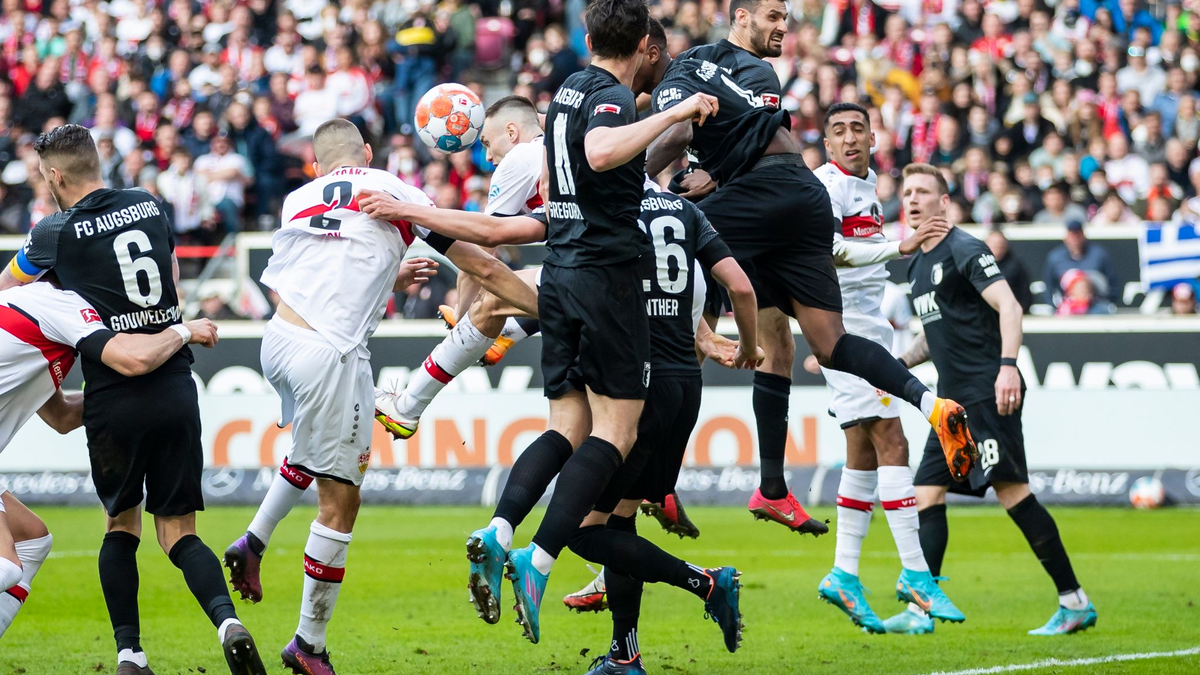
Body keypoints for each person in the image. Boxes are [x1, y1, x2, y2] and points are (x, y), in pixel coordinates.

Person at [366, 175, 759, 672]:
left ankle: (547, 557)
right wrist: (736, 344)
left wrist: (413, 215)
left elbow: (491, 249)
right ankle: (629, 651)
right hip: (681, 380)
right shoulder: (682, 213)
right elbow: (731, 287)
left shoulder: (595, 213)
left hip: (633, 376)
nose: (549, 187)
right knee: (618, 520)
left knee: (582, 524)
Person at [219, 119, 539, 675]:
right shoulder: (399, 194)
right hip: (330, 352)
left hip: (279, 340)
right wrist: (547, 308)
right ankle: (307, 647)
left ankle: (254, 540)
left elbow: (319, 270)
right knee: (341, 503)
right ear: (369, 153)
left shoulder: (299, 196)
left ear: (317, 167)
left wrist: (390, 274)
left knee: (315, 450)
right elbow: (483, 264)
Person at [647, 0, 976, 535]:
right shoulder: (724, 66)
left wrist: (641, 177)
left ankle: (658, 478)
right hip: (800, 199)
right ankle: (927, 407)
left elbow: (687, 130)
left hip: (764, 192)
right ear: (742, 17)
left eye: (785, 18)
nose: (784, 27)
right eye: (774, 16)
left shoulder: (735, 69)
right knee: (818, 343)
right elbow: (729, 127)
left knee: (662, 247)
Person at [0, 124, 267, 675]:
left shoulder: (53, 234)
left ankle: (130, 654)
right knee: (181, 531)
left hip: (113, 392)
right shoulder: (149, 205)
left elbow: (9, 287)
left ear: (54, 176)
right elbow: (166, 277)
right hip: (174, 385)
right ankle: (226, 621)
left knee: (120, 528)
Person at [895, 163, 1096, 636]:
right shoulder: (916, 264)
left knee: (1012, 493)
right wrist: (898, 365)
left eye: (924, 191)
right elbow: (935, 336)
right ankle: (922, 609)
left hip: (988, 392)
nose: (913, 199)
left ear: (945, 202)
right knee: (925, 492)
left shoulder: (964, 248)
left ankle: (1074, 601)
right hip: (951, 404)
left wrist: (1009, 366)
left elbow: (1009, 306)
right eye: (907, 192)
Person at [810, 103, 964, 635]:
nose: (850, 138)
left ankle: (843, 573)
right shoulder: (824, 186)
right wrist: (899, 245)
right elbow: (824, 251)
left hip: (868, 326)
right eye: (839, 131)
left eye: (858, 128)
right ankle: (917, 573)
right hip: (844, 332)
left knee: (863, 453)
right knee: (893, 442)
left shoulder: (868, 184)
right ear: (827, 145)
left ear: (873, 137)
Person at [0, 281, 218, 640]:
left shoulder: (30, 325)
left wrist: (118, 401)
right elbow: (133, 358)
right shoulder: (63, 303)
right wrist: (184, 330)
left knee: (33, 540)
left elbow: (62, 416)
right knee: (7, 565)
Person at [1042, 220, 1119, 307]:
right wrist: (1055, 308)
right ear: (1066, 237)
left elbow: (1112, 284)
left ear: (1083, 235)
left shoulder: (1099, 255)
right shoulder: (1055, 258)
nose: (1075, 239)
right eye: (1072, 235)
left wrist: (1106, 304)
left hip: (1095, 308)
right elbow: (1049, 287)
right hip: (1066, 309)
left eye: (1078, 234)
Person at [986, 230, 1033, 313]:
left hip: (1009, 313)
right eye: (993, 244)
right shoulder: (978, 266)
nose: (997, 247)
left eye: (1000, 244)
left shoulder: (1015, 266)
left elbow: (1025, 294)